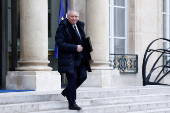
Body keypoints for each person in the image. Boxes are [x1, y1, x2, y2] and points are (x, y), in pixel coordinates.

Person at [55, 9, 92, 110]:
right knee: (72, 79)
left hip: (81, 58)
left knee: (83, 76)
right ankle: (72, 103)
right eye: (72, 16)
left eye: (76, 16)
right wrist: (75, 47)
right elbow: (60, 44)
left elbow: (82, 40)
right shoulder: (62, 28)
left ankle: (67, 92)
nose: (74, 18)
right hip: (69, 59)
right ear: (67, 17)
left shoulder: (80, 26)